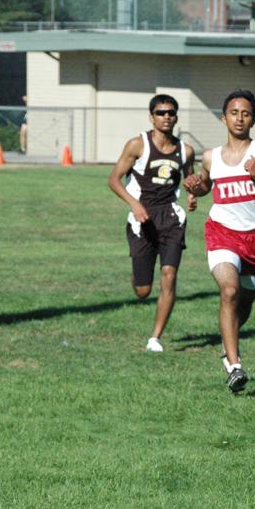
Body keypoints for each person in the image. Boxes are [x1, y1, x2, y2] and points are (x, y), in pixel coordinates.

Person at [183, 90, 255, 393]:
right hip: (221, 232)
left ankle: (228, 340)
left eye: (246, 113)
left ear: (253, 119)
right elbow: (206, 185)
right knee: (229, 290)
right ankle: (234, 365)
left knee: (244, 304)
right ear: (224, 118)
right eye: (234, 113)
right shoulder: (211, 156)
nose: (239, 118)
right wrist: (195, 186)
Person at [107, 95, 197, 352]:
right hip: (142, 219)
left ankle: (155, 338)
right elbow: (113, 180)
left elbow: (190, 180)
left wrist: (192, 196)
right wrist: (134, 205)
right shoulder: (137, 145)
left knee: (169, 275)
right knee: (143, 290)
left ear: (176, 117)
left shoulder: (186, 151)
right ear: (151, 117)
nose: (166, 116)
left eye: (171, 112)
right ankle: (139, 273)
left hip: (171, 218)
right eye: (160, 112)